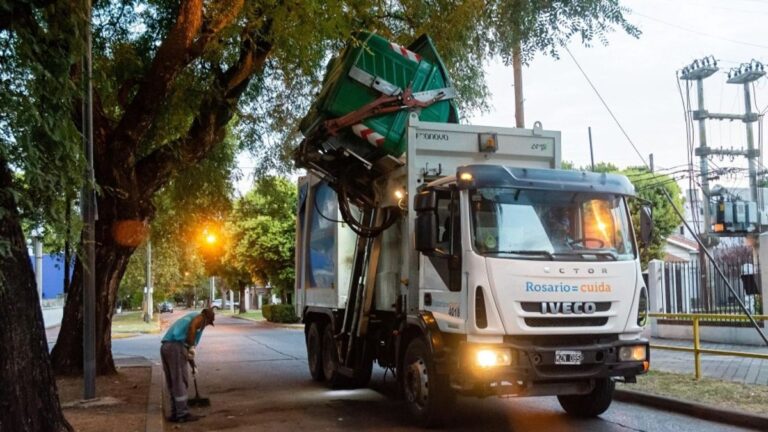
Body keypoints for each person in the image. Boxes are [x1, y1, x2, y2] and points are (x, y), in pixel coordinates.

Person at [160, 307, 215, 423]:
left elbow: (189, 348)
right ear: (207, 318)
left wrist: (192, 364)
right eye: (208, 323)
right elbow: (192, 328)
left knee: (173, 381)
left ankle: (175, 413)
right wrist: (191, 347)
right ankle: (182, 414)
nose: (206, 326)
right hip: (176, 348)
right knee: (180, 380)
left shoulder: (191, 317)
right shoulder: (199, 318)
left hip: (167, 347)